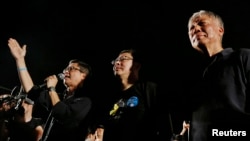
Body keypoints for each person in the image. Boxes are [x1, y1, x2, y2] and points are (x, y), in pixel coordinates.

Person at [7, 38, 93, 141]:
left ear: (83, 75)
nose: (65, 72)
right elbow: (31, 90)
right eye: (65, 69)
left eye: (71, 68)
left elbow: (63, 115)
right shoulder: (59, 97)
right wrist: (20, 60)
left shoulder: (85, 101)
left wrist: (52, 88)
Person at [187, 10, 250, 141]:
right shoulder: (196, 75)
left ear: (220, 30)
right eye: (191, 28)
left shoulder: (242, 57)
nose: (196, 29)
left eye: (202, 23)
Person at [91, 48, 170, 141]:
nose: (117, 63)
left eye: (123, 58)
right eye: (115, 60)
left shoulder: (148, 89)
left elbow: (164, 123)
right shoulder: (111, 97)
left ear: (137, 65)